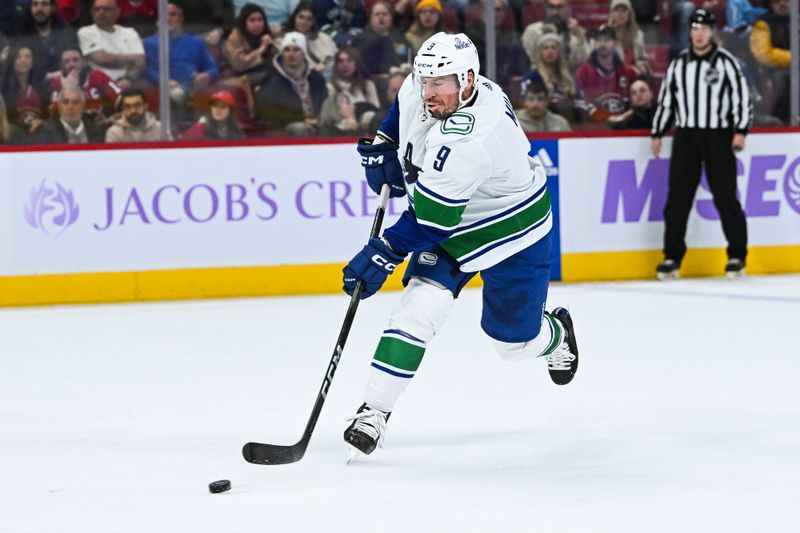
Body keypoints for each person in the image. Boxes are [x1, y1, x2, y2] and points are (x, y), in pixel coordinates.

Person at [342, 32, 579, 457]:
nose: (430, 92)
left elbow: (431, 219)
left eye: (441, 83)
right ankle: (374, 411)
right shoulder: (423, 85)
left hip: (510, 228)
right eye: (425, 80)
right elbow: (401, 112)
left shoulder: (473, 136)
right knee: (419, 308)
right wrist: (385, 145)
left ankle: (556, 333)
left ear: (468, 80)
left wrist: (385, 250)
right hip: (451, 219)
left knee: (513, 343)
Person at [651, 9, 752, 280]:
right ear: (690, 32)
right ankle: (672, 256)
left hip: (718, 136)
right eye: (695, 28)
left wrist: (740, 130)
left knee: (725, 196)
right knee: (678, 199)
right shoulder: (679, 64)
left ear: (712, 32)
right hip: (686, 136)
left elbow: (741, 98)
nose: (699, 33)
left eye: (704, 28)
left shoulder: (726, 63)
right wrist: (658, 133)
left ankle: (737, 254)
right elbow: (667, 102)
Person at [143, 0, 219, 109]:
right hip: (168, 89)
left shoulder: (195, 42)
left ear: (181, 19)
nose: (168, 18)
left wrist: (207, 75)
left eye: (173, 14)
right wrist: (165, 81)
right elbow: (148, 69)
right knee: (176, 95)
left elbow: (212, 68)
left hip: (194, 86)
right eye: (164, 14)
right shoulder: (151, 43)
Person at [255, 31, 328, 135]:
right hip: (285, 127)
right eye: (287, 50)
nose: (291, 54)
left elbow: (324, 103)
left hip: (316, 123)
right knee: (299, 128)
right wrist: (302, 119)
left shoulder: (316, 78)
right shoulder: (271, 79)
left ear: (304, 53)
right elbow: (269, 112)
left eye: (296, 50)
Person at [521, 25, 586, 124]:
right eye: (545, 48)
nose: (549, 51)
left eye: (553, 48)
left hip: (567, 123)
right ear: (540, 52)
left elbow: (580, 103)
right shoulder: (532, 77)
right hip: (539, 124)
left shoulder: (568, 78)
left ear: (559, 52)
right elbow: (528, 105)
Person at [77, 0, 146, 89]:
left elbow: (140, 63)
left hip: (128, 82)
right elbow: (103, 59)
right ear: (92, 12)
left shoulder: (130, 32)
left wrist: (128, 79)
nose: (101, 13)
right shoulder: (85, 32)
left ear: (117, 12)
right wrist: (132, 57)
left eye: (106, 9)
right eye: (97, 9)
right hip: (99, 84)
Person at [574, 24, 636, 123]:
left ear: (615, 43)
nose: (602, 44)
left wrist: (623, 118)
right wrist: (604, 118)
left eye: (607, 40)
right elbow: (581, 104)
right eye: (598, 40)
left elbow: (636, 102)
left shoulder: (627, 72)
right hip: (594, 127)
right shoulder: (583, 72)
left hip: (624, 126)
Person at [49, 46, 122, 123]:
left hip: (100, 125)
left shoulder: (98, 76)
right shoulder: (56, 83)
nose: (72, 64)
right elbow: (55, 116)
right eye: (67, 61)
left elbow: (121, 100)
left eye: (76, 60)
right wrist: (68, 88)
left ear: (83, 61)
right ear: (62, 65)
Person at [749, 0, 790, 123]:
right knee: (783, 78)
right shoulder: (763, 23)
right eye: (777, 1)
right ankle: (783, 119)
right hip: (776, 70)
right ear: (771, 5)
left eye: (787, 0)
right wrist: (793, 58)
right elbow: (763, 55)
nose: (782, 4)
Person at [521, 0, 590, 71]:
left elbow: (584, 61)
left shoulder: (576, 32)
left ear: (567, 8)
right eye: (551, 7)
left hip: (568, 77)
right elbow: (528, 59)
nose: (555, 12)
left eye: (559, 7)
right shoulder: (533, 31)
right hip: (539, 76)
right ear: (546, 8)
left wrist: (579, 36)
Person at [222, 3, 277, 91]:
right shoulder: (236, 36)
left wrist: (274, 45)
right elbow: (238, 65)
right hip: (242, 75)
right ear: (244, 22)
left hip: (264, 70)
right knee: (273, 76)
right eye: (252, 20)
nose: (257, 24)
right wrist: (261, 49)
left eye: (260, 20)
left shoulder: (267, 33)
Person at [352, 0, 412, 77]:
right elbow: (361, 64)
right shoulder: (361, 39)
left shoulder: (400, 39)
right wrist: (388, 69)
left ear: (391, 17)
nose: (381, 17)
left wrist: (407, 67)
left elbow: (408, 56)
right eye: (377, 14)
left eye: (384, 14)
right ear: (370, 18)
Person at [32, 83, 106, 144]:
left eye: (75, 102)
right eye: (65, 102)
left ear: (83, 106)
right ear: (59, 106)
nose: (70, 107)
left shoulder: (96, 130)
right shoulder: (46, 131)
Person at [283, 1, 338, 76]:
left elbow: (336, 57)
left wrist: (325, 64)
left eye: (309, 19)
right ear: (294, 17)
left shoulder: (323, 37)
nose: (304, 22)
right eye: (301, 17)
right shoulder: (284, 40)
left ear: (313, 21)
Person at [606, 0, 650, 77]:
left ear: (629, 14)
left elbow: (642, 58)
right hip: (610, 75)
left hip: (632, 75)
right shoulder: (604, 32)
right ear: (611, 13)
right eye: (617, 10)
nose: (621, 14)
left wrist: (641, 65)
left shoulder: (637, 34)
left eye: (624, 10)